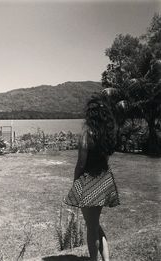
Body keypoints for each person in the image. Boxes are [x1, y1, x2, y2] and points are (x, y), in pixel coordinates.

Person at [64, 96, 120, 261]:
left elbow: (81, 164)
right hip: (104, 179)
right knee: (94, 224)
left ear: (91, 114)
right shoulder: (107, 134)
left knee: (92, 227)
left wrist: (75, 182)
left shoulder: (87, 132)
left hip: (89, 182)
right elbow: (106, 159)